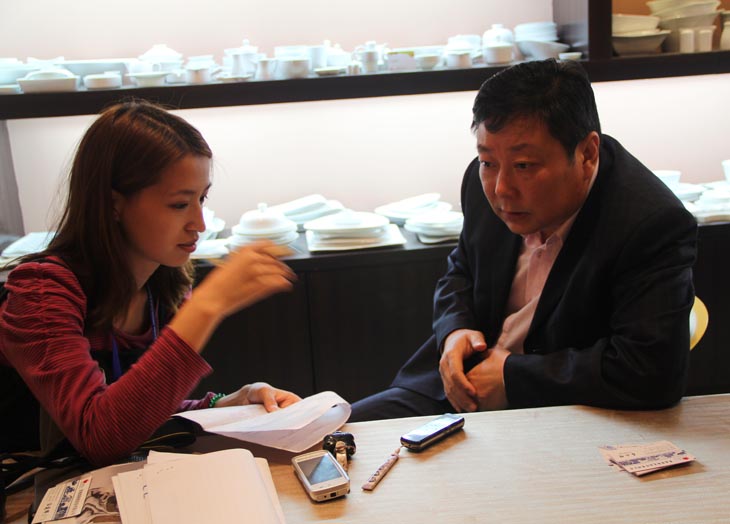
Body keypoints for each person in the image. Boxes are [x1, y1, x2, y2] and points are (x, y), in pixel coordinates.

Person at [350, 59, 697, 421]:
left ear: (587, 154)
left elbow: (649, 371)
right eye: (488, 161)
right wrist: (455, 330)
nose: (502, 189)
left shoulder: (648, 223)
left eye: (524, 165)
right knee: (339, 439)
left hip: (566, 413)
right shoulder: (483, 184)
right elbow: (461, 270)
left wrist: (512, 376)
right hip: (454, 390)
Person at [0, 100, 301, 465]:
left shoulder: (162, 286)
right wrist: (207, 307)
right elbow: (99, 436)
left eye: (202, 199)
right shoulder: (42, 292)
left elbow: (136, 413)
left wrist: (231, 402)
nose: (199, 223)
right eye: (179, 204)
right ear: (113, 204)